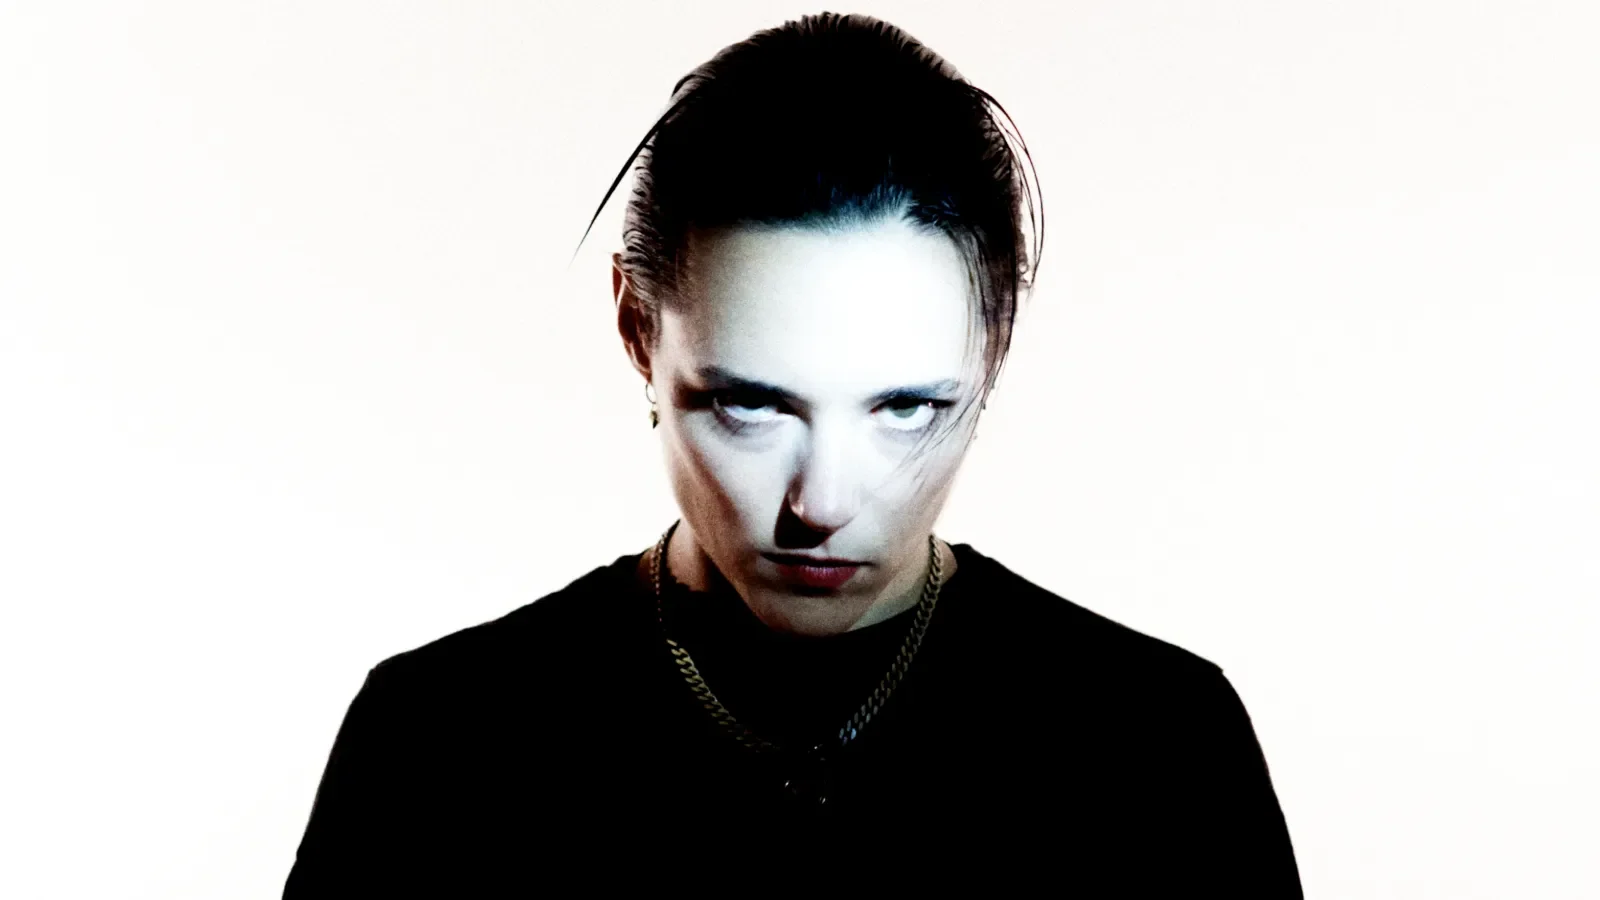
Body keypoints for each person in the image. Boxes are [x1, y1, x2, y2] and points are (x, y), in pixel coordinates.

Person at [283, 12, 1302, 895]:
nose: (822, 505)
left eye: (907, 408)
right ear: (637, 327)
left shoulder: (1161, 746)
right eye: (751, 406)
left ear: (993, 344)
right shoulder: (437, 743)